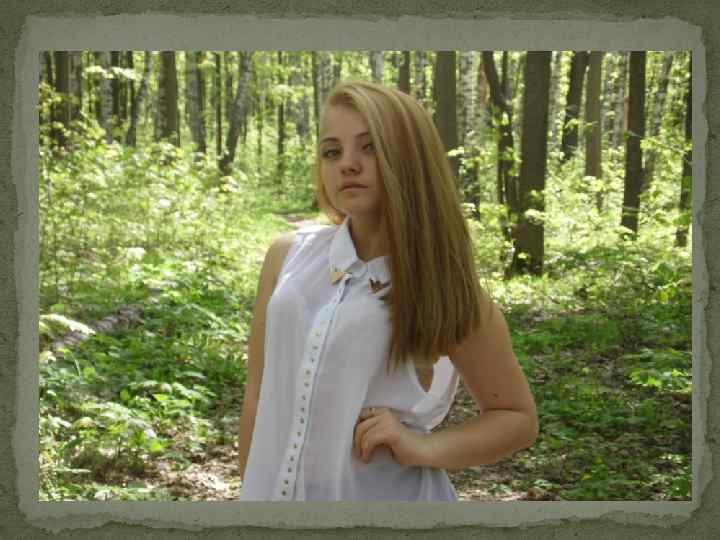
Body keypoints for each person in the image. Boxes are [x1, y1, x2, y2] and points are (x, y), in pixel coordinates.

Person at [237, 79, 538, 501]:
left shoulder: (440, 284)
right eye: (332, 151)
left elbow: (516, 417)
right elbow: (258, 397)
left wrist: (424, 448)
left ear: (409, 158)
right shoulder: (286, 258)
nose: (348, 164)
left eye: (370, 146)